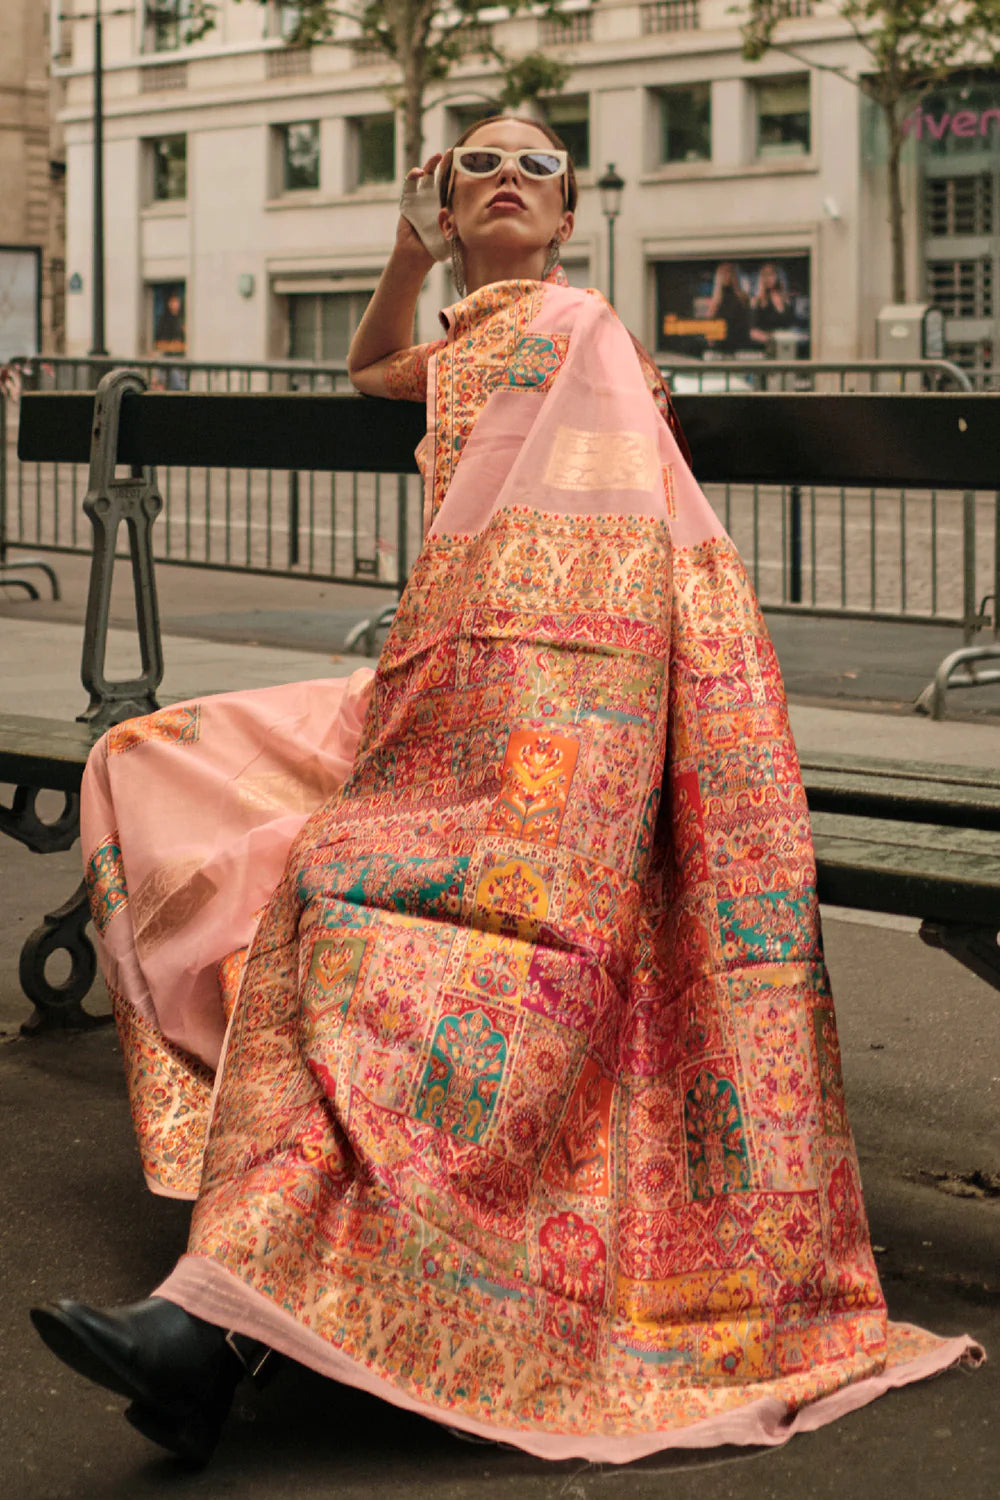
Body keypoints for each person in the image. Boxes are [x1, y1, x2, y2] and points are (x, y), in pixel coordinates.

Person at [31, 117, 980, 1470]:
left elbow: (621, 555)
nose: (508, 177)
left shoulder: (583, 326)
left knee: (346, 914)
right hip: (435, 688)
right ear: (446, 201)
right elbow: (371, 364)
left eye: (537, 164)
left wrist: (511, 698)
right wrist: (404, 255)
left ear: (573, 207)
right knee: (141, 760)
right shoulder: (474, 335)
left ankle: (227, 1310)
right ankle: (249, 1225)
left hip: (552, 711)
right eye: (479, 163)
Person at [704, 261, 751, 354]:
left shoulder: (742, 298)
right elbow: (709, 320)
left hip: (738, 344)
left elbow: (746, 322)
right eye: (723, 273)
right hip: (719, 345)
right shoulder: (714, 300)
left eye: (730, 272)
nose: (727, 276)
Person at [749, 262, 797, 348]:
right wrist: (772, 339)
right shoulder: (757, 301)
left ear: (778, 276)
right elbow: (752, 332)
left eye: (771, 274)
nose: (767, 278)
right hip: (766, 346)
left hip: (788, 346)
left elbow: (793, 326)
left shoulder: (788, 300)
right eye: (764, 275)